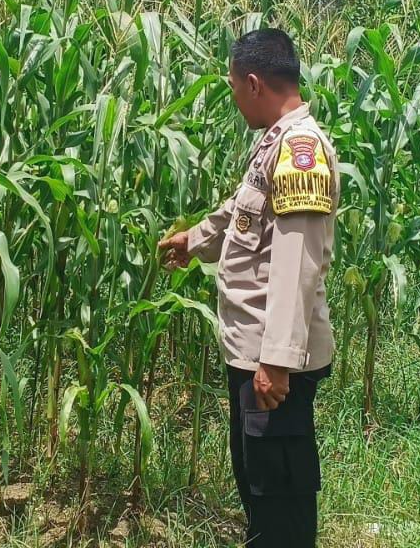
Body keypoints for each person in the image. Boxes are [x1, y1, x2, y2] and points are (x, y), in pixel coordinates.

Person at [158, 28, 338, 548]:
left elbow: (295, 262)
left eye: (235, 88)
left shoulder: (300, 150)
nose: (235, 99)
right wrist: (195, 241)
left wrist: (276, 360)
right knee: (257, 482)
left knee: (278, 491)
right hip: (253, 352)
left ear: (255, 83)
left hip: (270, 358)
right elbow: (243, 214)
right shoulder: (273, 144)